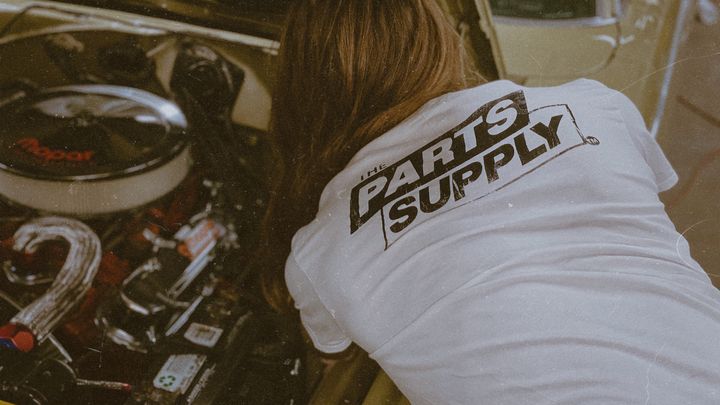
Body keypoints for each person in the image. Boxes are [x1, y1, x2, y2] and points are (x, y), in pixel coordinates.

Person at [258, 1, 720, 404]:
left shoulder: (315, 255)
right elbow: (646, 210)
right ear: (439, 42)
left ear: (303, 94)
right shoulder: (593, 103)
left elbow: (332, 356)